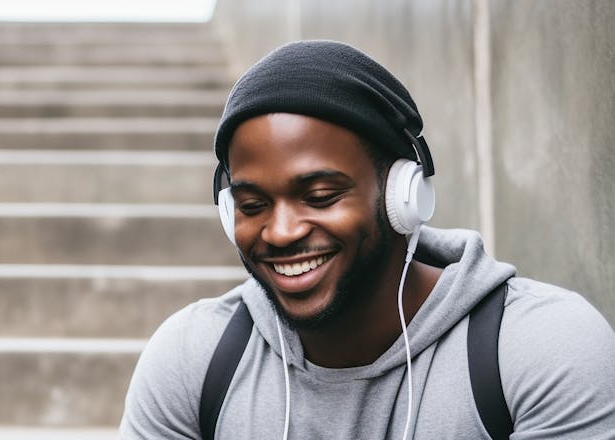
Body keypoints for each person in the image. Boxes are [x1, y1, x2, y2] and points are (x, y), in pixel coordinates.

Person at [119, 40, 615, 439]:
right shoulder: (194, 360)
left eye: (320, 195)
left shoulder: (540, 349)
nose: (282, 231)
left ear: (403, 195)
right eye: (252, 206)